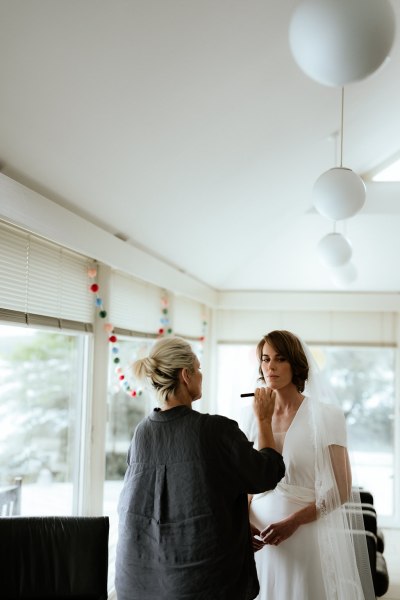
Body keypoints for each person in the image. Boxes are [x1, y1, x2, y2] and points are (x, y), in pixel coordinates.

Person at [115, 336, 285, 600]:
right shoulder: (214, 430)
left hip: (140, 579)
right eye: (199, 368)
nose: (201, 375)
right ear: (186, 375)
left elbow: (176, 500)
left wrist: (237, 526)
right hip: (199, 583)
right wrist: (264, 419)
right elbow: (266, 474)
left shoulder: (142, 432)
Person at [242, 330, 375, 600]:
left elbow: (341, 488)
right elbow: (243, 481)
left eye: (279, 359)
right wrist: (242, 521)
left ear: (296, 365)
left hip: (302, 537)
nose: (270, 367)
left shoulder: (327, 416)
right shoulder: (250, 414)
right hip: (256, 542)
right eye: (265, 360)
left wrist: (294, 522)